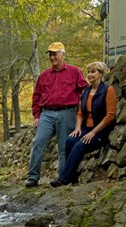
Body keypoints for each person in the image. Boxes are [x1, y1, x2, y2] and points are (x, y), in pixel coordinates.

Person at [25, 42, 88, 187]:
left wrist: (83, 111)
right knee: (37, 143)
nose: (52, 57)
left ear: (63, 55)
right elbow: (36, 97)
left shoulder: (75, 71)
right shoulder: (44, 75)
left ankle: (62, 177)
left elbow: (84, 92)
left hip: (67, 112)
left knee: (64, 147)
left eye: (55, 54)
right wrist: (36, 116)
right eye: (50, 54)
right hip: (46, 114)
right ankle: (33, 177)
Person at [50, 61, 117, 187]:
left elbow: (110, 116)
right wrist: (78, 128)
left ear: (101, 74)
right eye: (89, 72)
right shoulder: (86, 91)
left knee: (79, 145)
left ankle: (63, 179)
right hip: (86, 128)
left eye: (93, 72)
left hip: (101, 131)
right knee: (70, 140)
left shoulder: (108, 90)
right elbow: (80, 113)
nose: (90, 75)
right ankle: (72, 177)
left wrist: (93, 133)